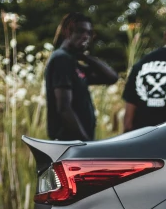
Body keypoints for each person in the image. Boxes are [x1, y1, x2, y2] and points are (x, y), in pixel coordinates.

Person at [45, 13, 118, 141]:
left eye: (89, 33)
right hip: (69, 142)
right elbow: (64, 107)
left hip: (77, 143)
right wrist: (85, 143)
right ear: (67, 32)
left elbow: (111, 78)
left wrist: (85, 57)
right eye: (80, 31)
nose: (86, 36)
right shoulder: (61, 59)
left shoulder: (74, 63)